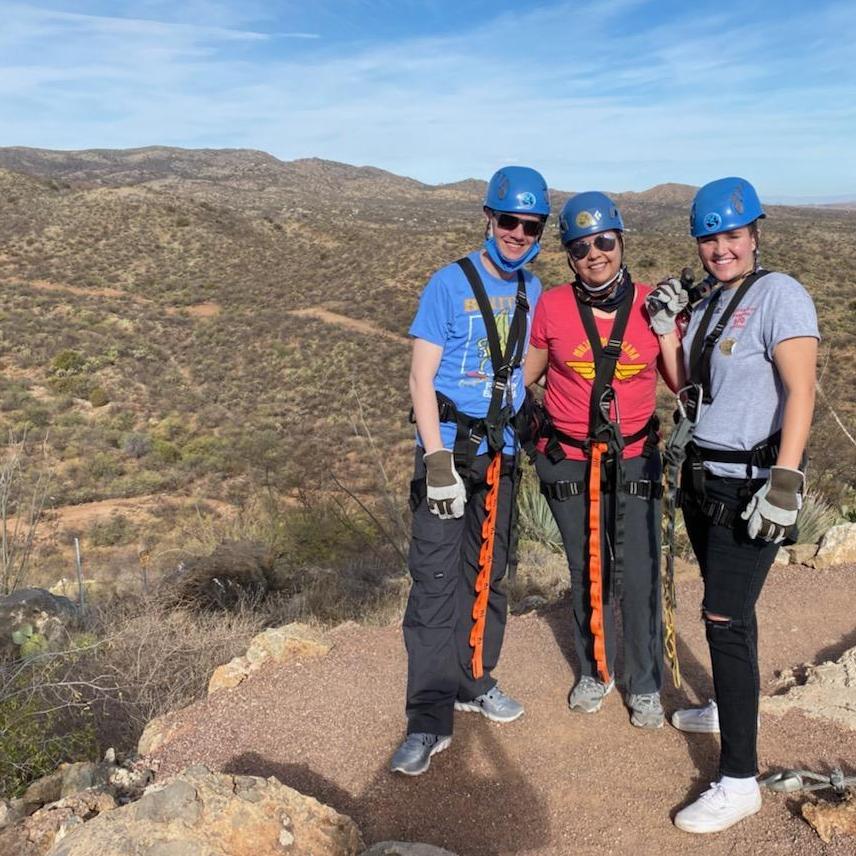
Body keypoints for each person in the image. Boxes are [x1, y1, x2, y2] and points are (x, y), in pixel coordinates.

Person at [669, 177, 819, 834]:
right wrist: (667, 331)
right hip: (705, 479)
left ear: (755, 234)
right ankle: (734, 707)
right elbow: (690, 391)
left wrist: (785, 479)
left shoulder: (779, 296)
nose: (721, 248)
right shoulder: (709, 305)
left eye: (732, 235)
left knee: (724, 619)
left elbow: (802, 390)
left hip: (752, 484)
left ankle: (739, 780)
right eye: (711, 238)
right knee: (731, 610)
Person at [390, 166, 550, 776]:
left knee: (489, 573)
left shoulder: (533, 289)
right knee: (435, 583)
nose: (516, 232)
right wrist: (435, 459)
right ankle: (428, 718)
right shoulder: (447, 284)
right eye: (508, 220)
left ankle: (475, 678)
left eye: (528, 225)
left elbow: (533, 363)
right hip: (449, 452)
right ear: (489, 218)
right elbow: (420, 378)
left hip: (501, 454)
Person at [523, 192, 685, 730]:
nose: (594, 254)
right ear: (569, 255)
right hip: (570, 459)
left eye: (603, 242)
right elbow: (527, 373)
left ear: (620, 242)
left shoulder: (650, 305)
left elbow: (682, 387)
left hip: (635, 457)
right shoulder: (552, 307)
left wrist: (666, 330)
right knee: (586, 567)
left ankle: (643, 683)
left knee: (639, 571)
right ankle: (596, 669)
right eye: (580, 246)